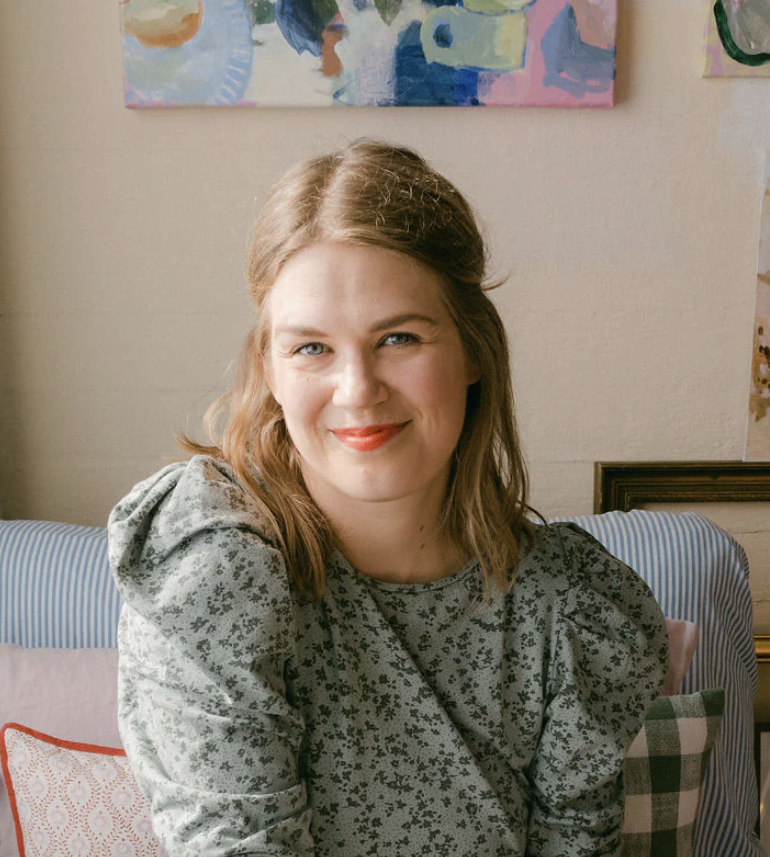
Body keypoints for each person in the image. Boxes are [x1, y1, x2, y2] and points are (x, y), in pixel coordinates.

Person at [108, 139, 668, 856]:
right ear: (269, 368)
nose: (358, 391)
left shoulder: (570, 610)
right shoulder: (215, 569)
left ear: (472, 350)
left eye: (398, 338)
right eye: (311, 348)